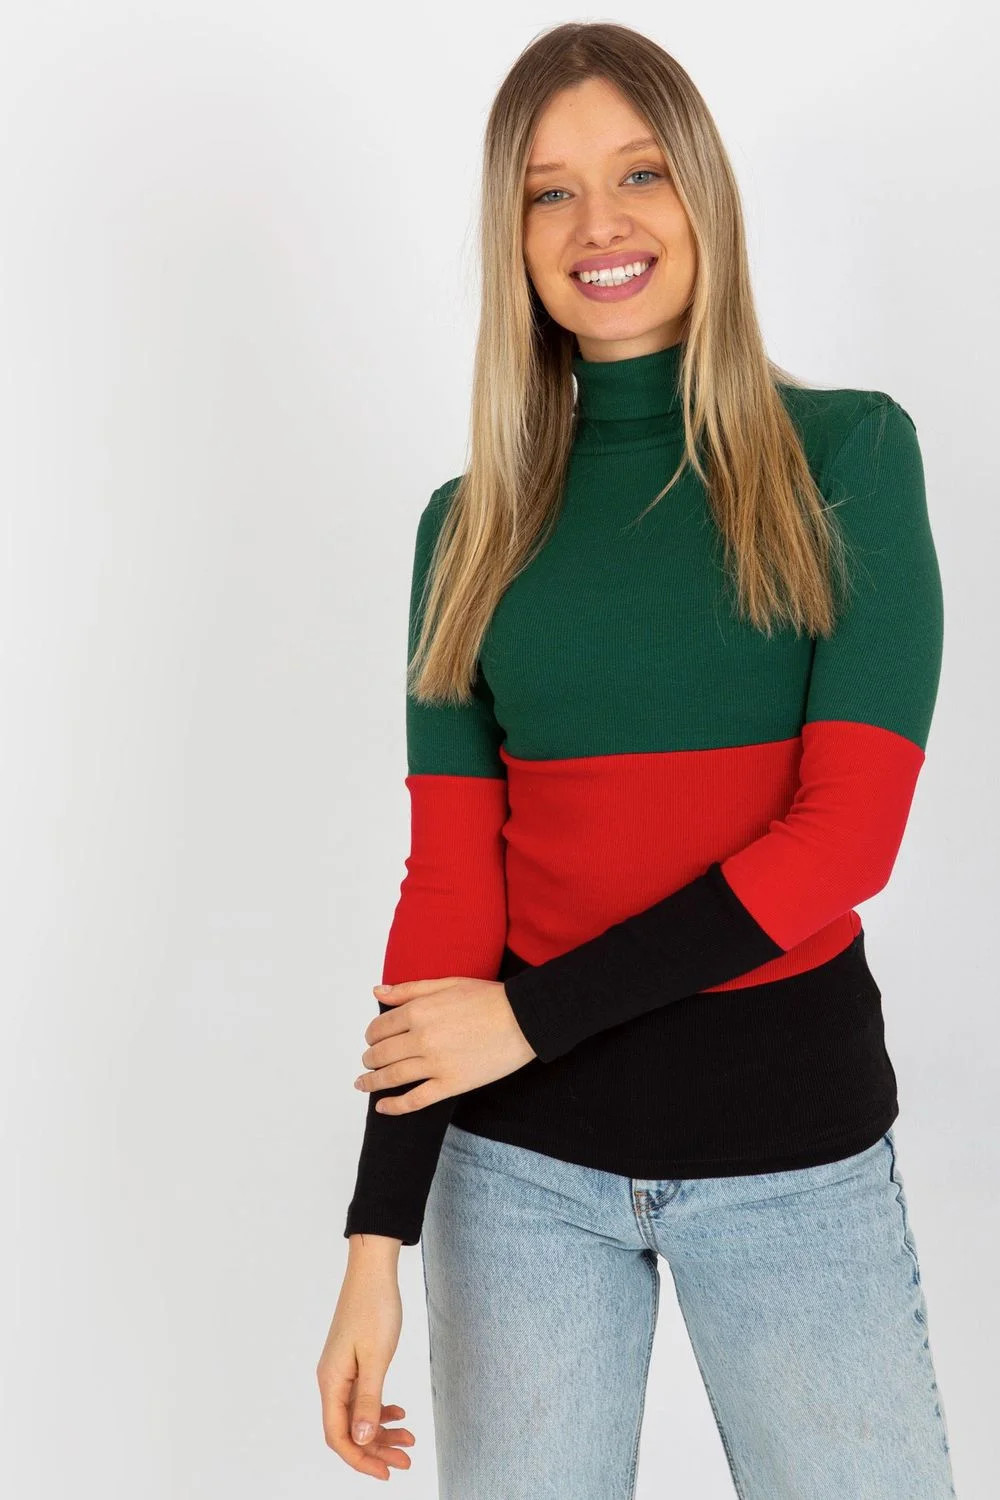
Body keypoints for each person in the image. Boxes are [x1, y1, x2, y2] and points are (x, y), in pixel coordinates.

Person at [316, 21, 958, 1499]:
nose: (597, 223)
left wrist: (530, 1020)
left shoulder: (849, 457)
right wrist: (374, 1241)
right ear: (513, 238)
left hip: (791, 1157)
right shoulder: (466, 530)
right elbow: (449, 891)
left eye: (639, 173)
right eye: (549, 192)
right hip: (516, 1178)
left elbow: (843, 844)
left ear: (703, 193)